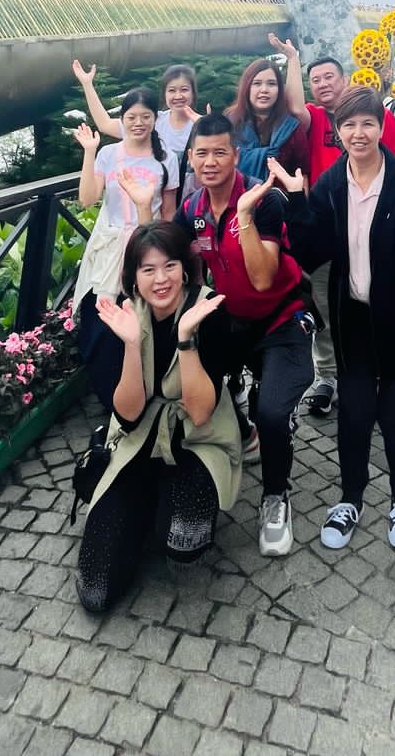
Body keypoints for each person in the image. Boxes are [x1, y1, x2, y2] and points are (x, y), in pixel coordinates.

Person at [269, 86, 395, 552]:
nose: (359, 133)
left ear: (381, 128)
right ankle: (350, 499)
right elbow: (312, 252)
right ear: (338, 131)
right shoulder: (332, 185)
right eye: (349, 125)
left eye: (368, 123)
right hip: (354, 321)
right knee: (354, 415)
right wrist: (297, 202)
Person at [75, 223, 241, 612]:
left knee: (183, 541)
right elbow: (129, 415)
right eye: (148, 269)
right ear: (133, 277)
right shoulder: (124, 315)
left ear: (185, 268)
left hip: (197, 440)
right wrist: (132, 345)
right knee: (96, 590)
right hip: (139, 438)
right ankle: (141, 502)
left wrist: (186, 339)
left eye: (170, 266)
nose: (161, 279)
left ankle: (162, 505)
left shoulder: (208, 311)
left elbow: (200, 412)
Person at [173, 114, 315, 557]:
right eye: (201, 154)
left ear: (236, 155)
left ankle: (275, 496)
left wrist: (245, 217)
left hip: (279, 318)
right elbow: (172, 259)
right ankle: (239, 433)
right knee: (191, 387)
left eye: (220, 152)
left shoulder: (263, 199)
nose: (210, 162)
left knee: (273, 412)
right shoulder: (192, 209)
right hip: (229, 318)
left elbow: (262, 278)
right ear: (190, 158)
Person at [271, 36, 395, 417]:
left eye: (329, 76)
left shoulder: (378, 119)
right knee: (325, 304)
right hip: (327, 230)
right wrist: (293, 59)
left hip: (372, 228)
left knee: (374, 303)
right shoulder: (316, 118)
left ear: (345, 78)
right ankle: (329, 376)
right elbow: (295, 106)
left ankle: (379, 375)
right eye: (315, 79)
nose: (322, 84)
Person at [72, 89, 180, 315]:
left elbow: (169, 212)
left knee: (143, 316)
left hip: (148, 250)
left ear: (155, 118)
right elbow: (87, 199)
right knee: (102, 318)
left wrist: (168, 250)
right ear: (122, 119)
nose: (138, 123)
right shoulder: (108, 154)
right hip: (109, 251)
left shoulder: (167, 158)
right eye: (131, 117)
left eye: (146, 117)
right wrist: (89, 152)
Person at [72, 60, 199, 160]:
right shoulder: (153, 121)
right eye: (172, 90)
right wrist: (87, 84)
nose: (178, 96)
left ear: (193, 92)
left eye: (184, 90)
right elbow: (105, 124)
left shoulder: (202, 124)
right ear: (164, 94)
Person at [225, 58, 309, 184]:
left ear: (280, 89)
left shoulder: (291, 128)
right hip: (237, 195)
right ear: (246, 87)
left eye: (271, 84)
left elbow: (302, 175)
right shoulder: (229, 125)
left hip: (281, 195)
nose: (264, 90)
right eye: (257, 83)